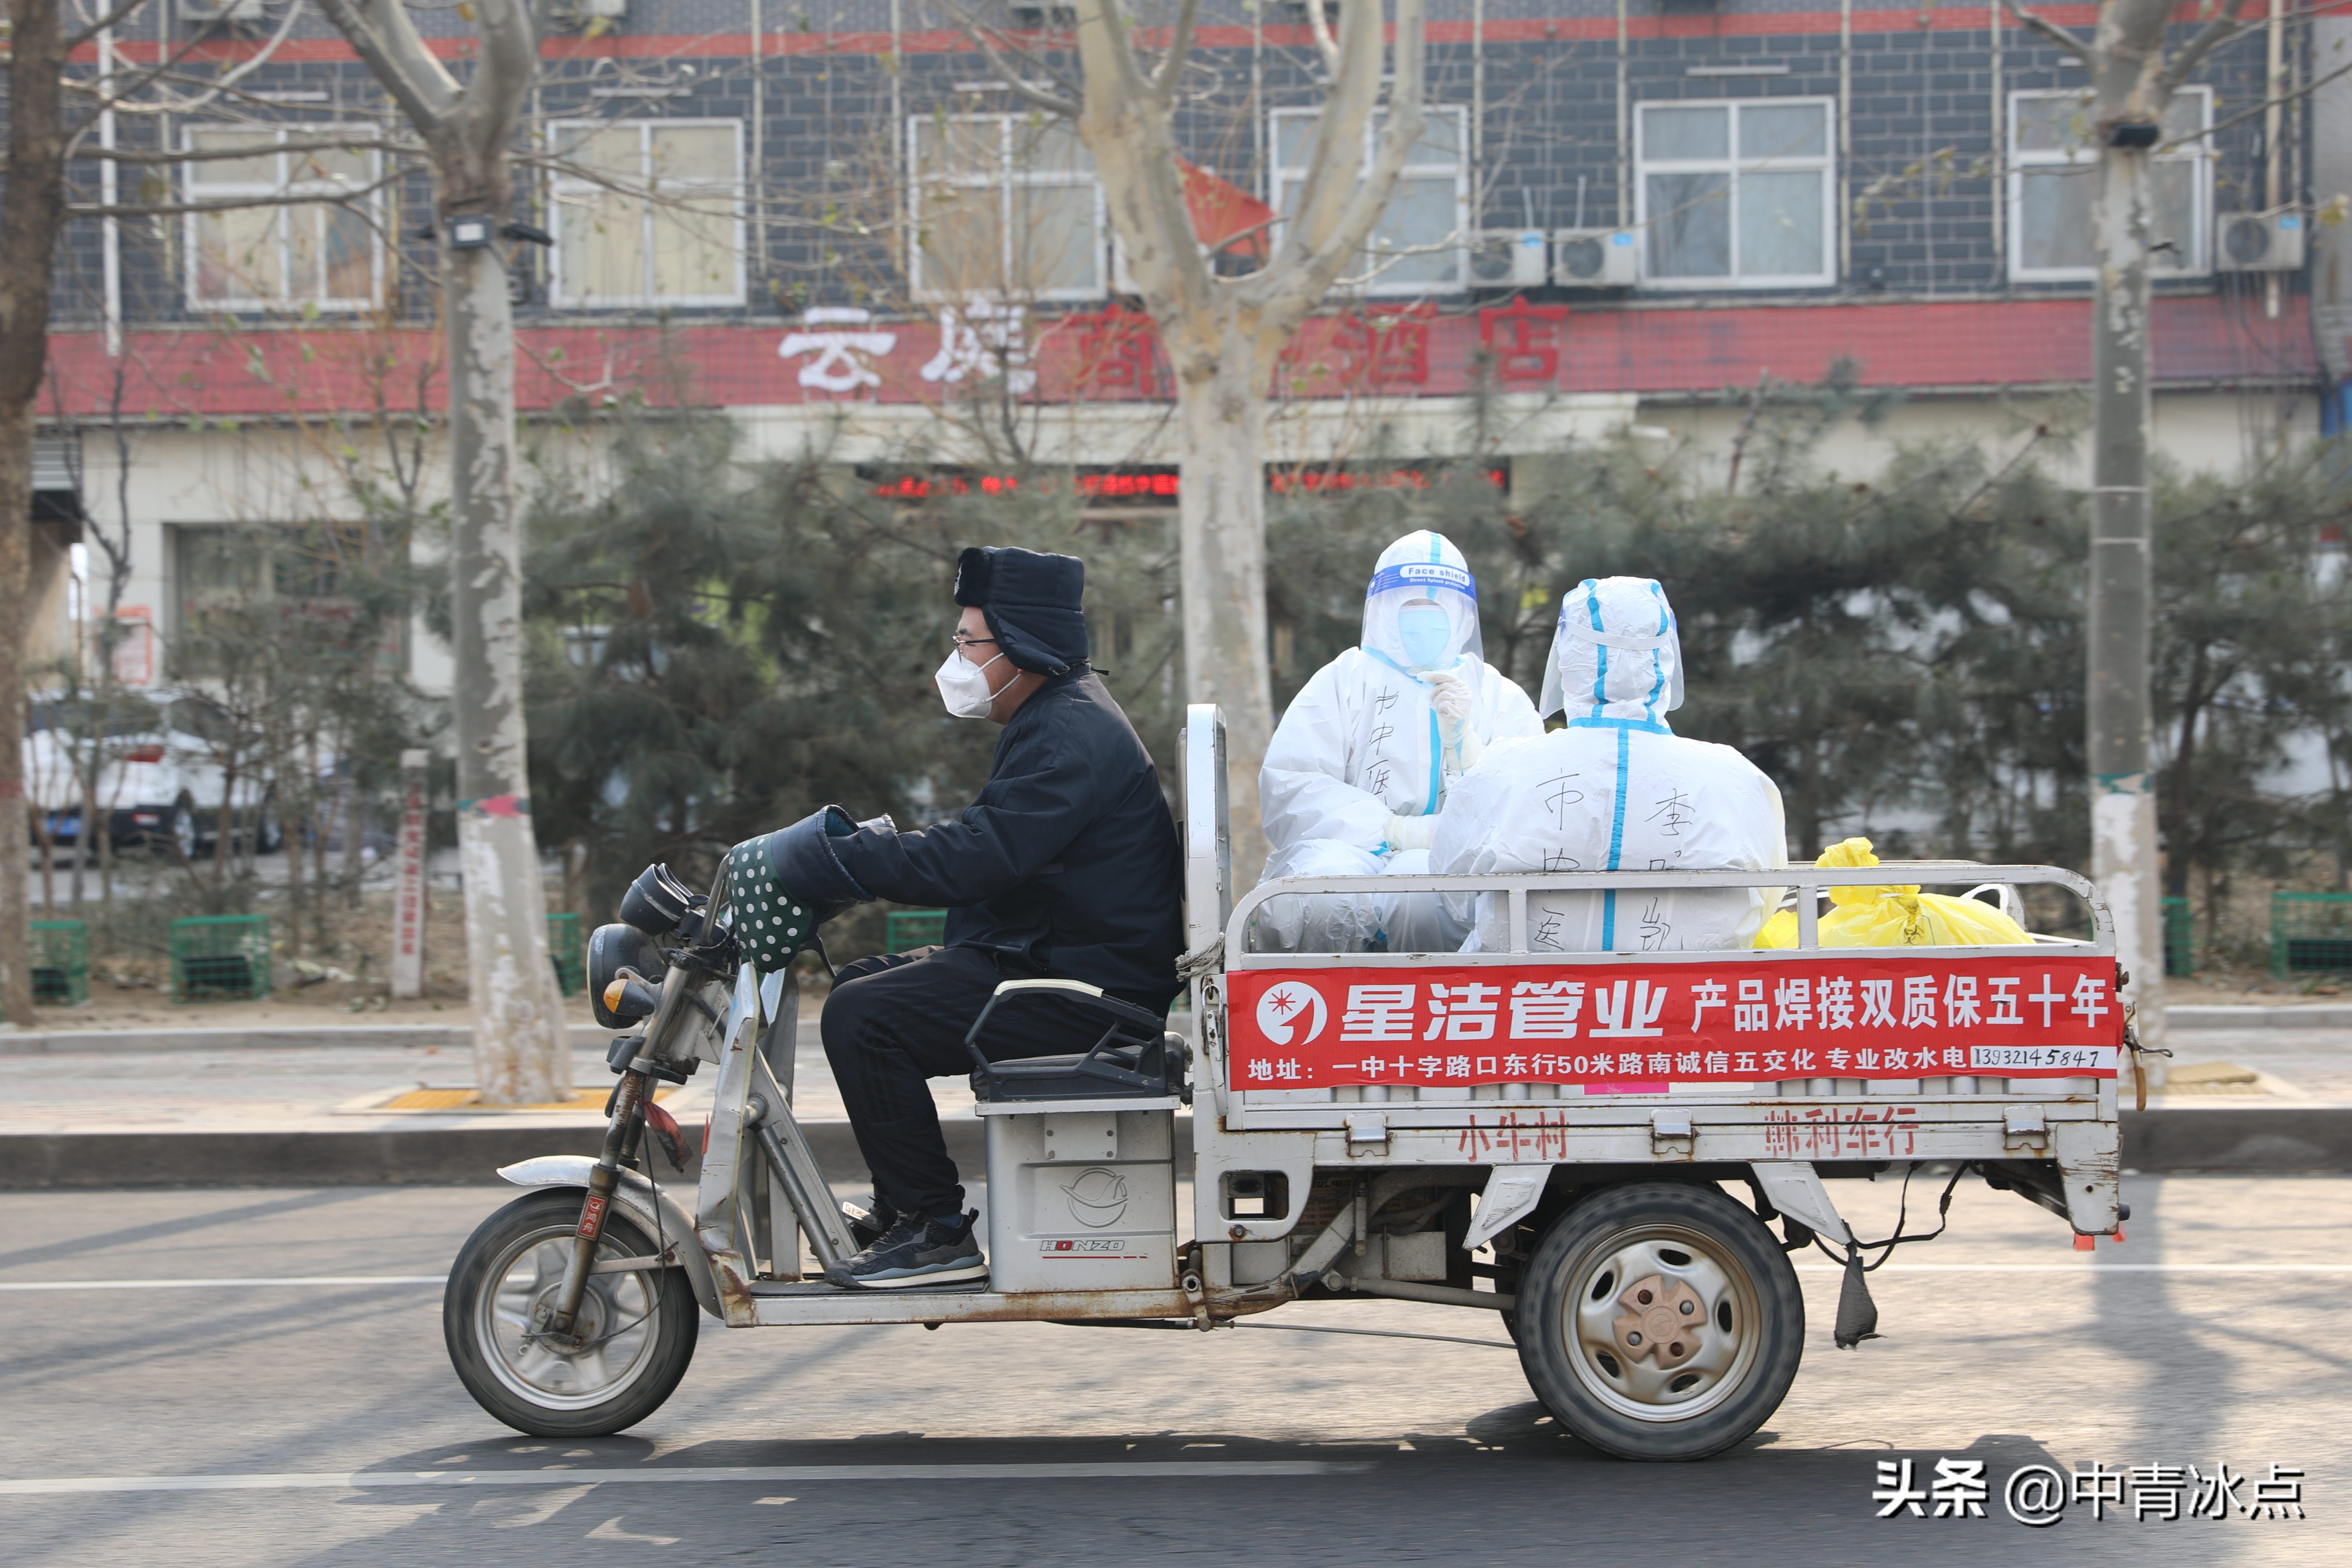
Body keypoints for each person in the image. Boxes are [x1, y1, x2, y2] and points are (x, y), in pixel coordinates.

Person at [771, 545, 1184, 1289]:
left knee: (867, 1016)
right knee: (859, 984)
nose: (956, 659)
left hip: (1092, 994)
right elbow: (991, 851)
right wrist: (857, 859)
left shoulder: (1067, 732)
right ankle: (906, 1213)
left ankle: (935, 1232)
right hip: (1056, 960)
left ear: (1021, 647)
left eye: (968, 642)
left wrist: (850, 859)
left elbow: (974, 859)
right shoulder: (1056, 716)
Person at [1432, 576, 1786, 953]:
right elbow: (1767, 896)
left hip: (1529, 1000)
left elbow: (1451, 895)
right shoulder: (1735, 776)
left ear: (1568, 660)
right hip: (1693, 999)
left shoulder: (1505, 767)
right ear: (1664, 662)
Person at [1255, 530, 1544, 953]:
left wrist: (1465, 751)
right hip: (1349, 848)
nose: (1424, 623)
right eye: (1411, 609)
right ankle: (1327, 1008)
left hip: (1456, 862)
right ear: (1384, 611)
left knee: (1422, 896)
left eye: (1437, 610)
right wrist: (1391, 830)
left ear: (1462, 615)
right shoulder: (1343, 681)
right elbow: (1292, 785)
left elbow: (1525, 802)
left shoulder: (1498, 696)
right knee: (1321, 895)